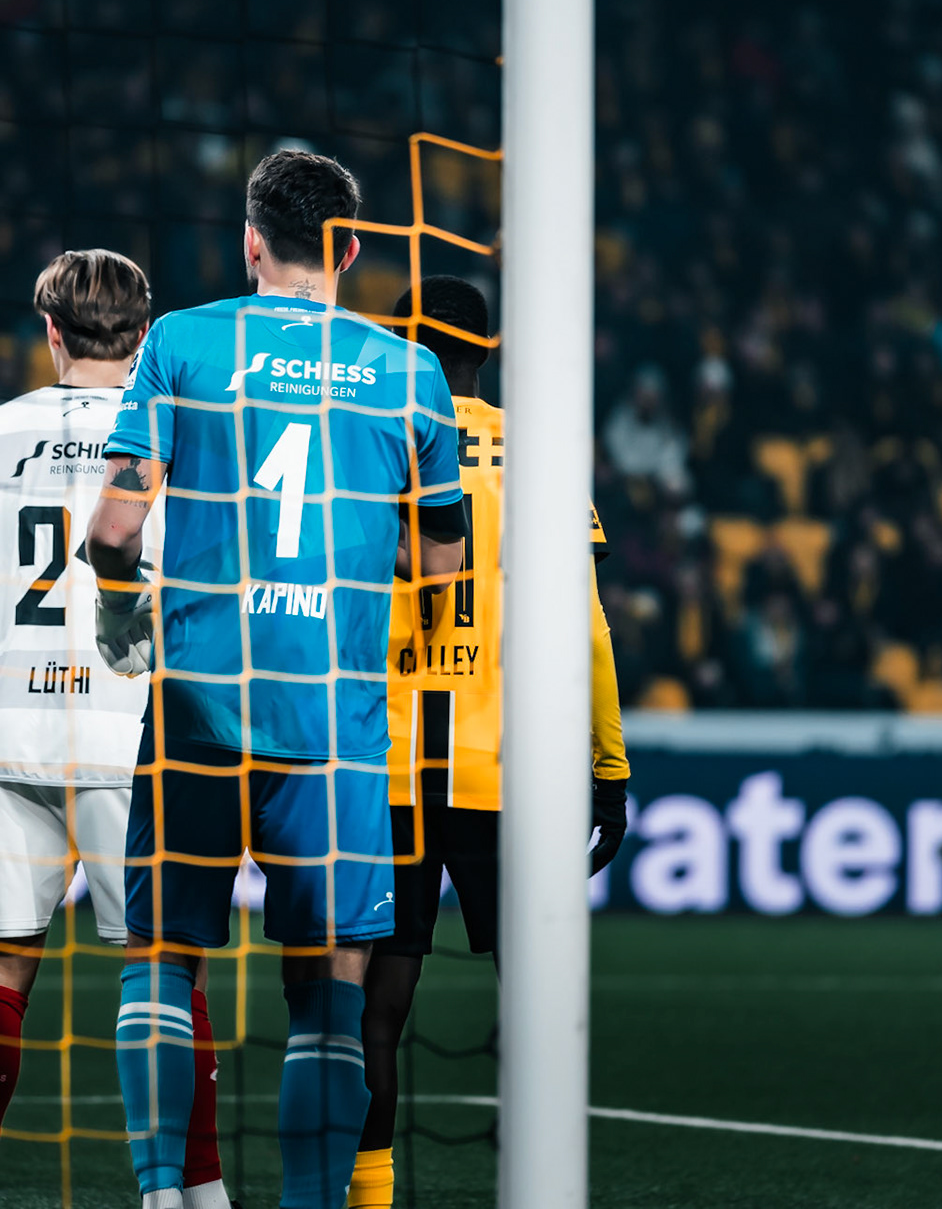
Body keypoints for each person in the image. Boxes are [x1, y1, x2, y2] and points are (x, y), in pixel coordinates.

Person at [85, 150, 467, 1209]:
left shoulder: (183, 341)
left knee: (162, 955)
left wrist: (120, 613)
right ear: (350, 249)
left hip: (199, 704)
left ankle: (163, 1194)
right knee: (332, 984)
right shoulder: (411, 373)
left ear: (251, 240)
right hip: (333, 720)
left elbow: (114, 530)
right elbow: (443, 568)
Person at [0, 250, 233, 1209]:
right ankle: (195, 1196)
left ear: (49, 330)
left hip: (15, 734)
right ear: (145, 334)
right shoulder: (174, 428)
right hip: (134, 733)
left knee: (1, 967)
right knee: (163, 972)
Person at [347, 276, 633, 1208]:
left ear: (402, 343)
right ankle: (542, 1180)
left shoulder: (369, 442)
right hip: (510, 769)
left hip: (391, 762)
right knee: (534, 991)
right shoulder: (542, 454)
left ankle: (370, 1189)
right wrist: (608, 767)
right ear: (486, 349)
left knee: (380, 1000)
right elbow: (590, 629)